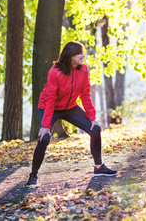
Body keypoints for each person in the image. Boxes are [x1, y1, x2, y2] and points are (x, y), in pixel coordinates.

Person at [26, 41, 117, 187]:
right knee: (44, 138)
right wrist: (45, 126)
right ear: (71, 55)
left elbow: (85, 94)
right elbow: (50, 98)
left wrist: (92, 118)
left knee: (95, 129)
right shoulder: (55, 72)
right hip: (50, 106)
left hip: (70, 107)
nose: (83, 56)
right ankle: (33, 175)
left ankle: (99, 167)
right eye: (80, 53)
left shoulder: (83, 70)